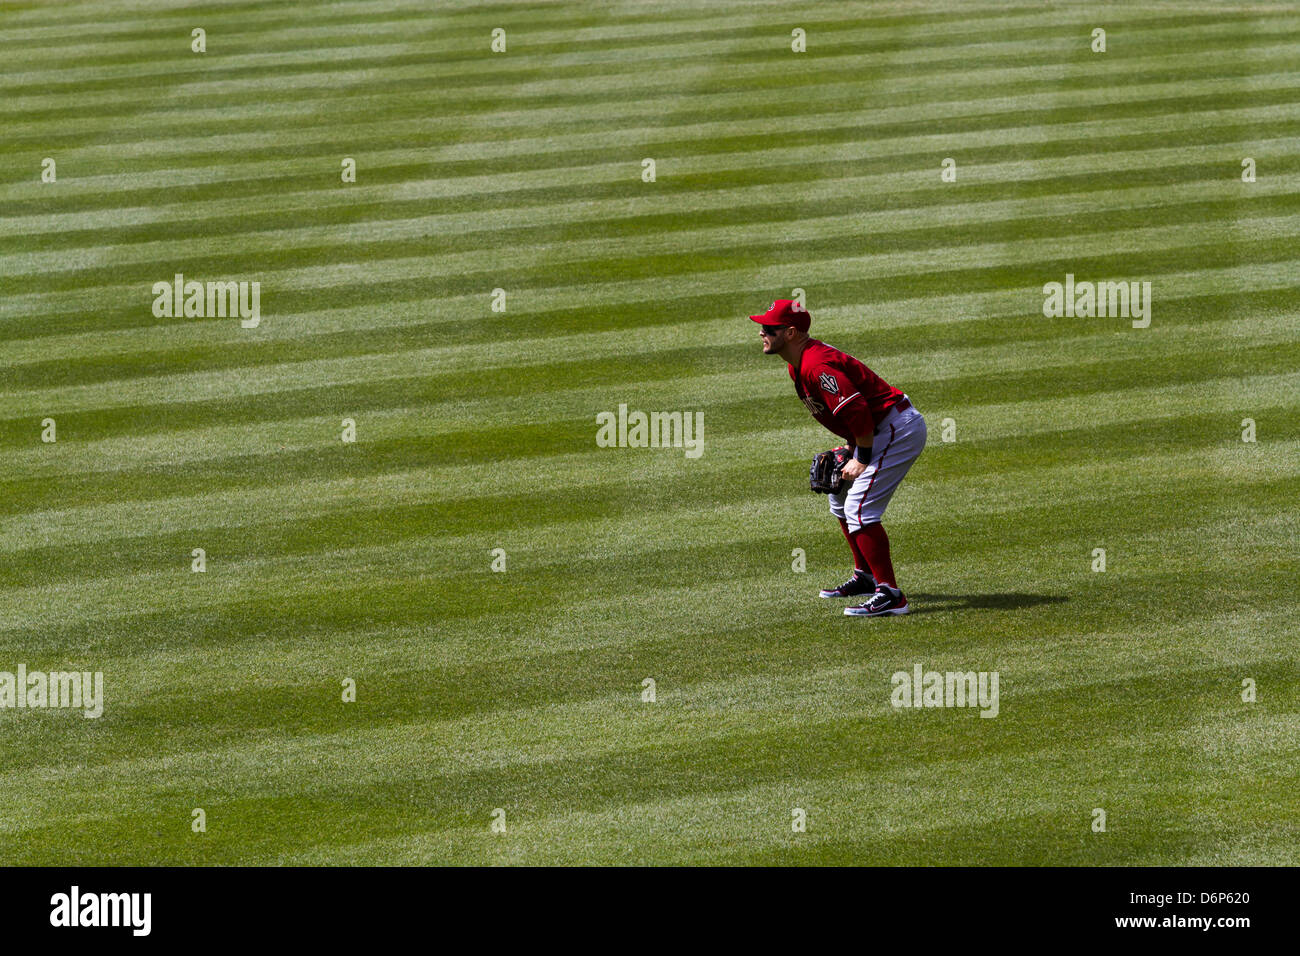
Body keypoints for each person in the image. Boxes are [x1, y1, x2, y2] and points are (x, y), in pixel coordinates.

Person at [751, 299, 926, 616]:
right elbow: (847, 415)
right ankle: (867, 576)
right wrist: (850, 449)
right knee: (839, 496)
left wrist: (862, 457)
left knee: (860, 508)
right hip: (877, 429)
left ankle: (891, 594)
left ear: (790, 332)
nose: (761, 332)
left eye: (769, 328)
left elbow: (857, 409)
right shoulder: (798, 363)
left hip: (895, 429)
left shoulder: (816, 365)